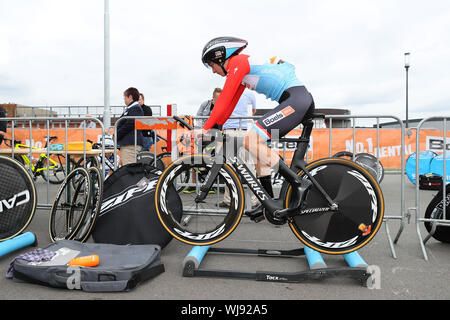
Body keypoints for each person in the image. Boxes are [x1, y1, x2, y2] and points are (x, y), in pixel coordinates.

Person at [188, 36, 314, 211]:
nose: (213, 71)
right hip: (296, 100)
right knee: (259, 155)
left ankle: (298, 183)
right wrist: (217, 127)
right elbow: (229, 104)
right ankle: (267, 203)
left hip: (297, 100)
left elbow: (223, 100)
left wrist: (205, 128)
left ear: (220, 58)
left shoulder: (238, 62)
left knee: (251, 141)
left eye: (212, 65)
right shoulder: (239, 71)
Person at [220, 89, 263, 208]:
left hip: (229, 131)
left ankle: (228, 200)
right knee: (249, 167)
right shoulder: (250, 94)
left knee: (229, 167)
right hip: (245, 131)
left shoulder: (227, 91)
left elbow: (221, 110)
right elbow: (253, 111)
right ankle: (254, 200)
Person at [116, 87, 144, 166]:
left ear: (130, 97)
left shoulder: (135, 108)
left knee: (129, 169)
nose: (124, 99)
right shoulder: (131, 108)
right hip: (129, 143)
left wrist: (117, 134)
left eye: (125, 97)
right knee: (129, 168)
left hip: (130, 144)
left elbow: (130, 124)